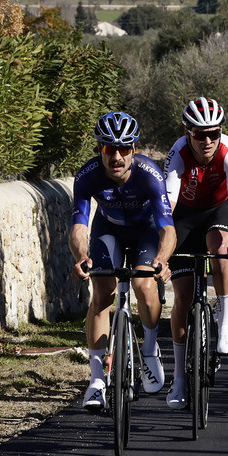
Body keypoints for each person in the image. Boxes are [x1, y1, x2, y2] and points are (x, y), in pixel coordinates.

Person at [69, 111, 176, 411]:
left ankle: (150, 349)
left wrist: (162, 259)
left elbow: (167, 227)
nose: (116, 156)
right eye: (108, 148)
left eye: (123, 149)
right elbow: (78, 226)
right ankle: (96, 381)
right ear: (99, 149)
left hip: (145, 232)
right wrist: (81, 257)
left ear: (134, 149)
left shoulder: (150, 174)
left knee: (144, 286)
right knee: (102, 293)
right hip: (109, 230)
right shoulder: (87, 175)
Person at [161, 97, 228, 410]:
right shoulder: (178, 153)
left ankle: (224, 324)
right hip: (184, 216)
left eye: (214, 133)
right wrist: (162, 253)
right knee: (182, 298)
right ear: (188, 133)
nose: (208, 140)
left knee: (222, 250)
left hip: (217, 211)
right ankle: (179, 377)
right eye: (200, 134)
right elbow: (168, 207)